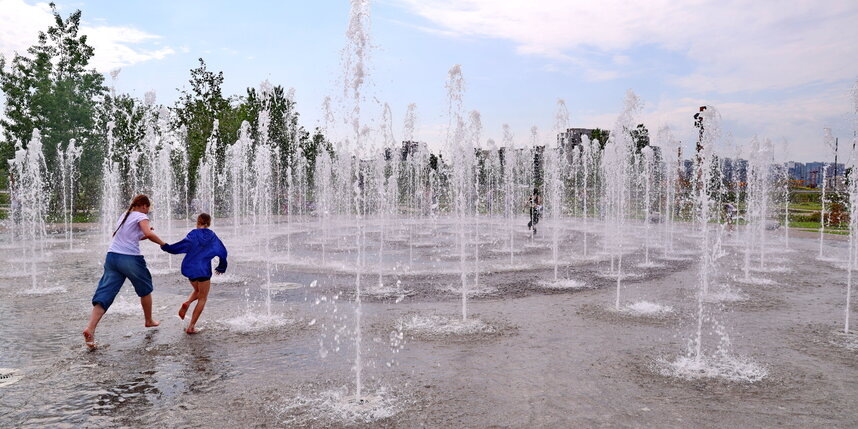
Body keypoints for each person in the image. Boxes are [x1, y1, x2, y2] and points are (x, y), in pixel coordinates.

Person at [83, 194, 166, 349]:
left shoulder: (124, 215)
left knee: (104, 295)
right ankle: (149, 320)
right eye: (148, 209)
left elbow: (134, 236)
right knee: (145, 289)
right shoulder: (141, 215)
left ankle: (90, 328)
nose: (148, 212)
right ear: (143, 206)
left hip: (112, 257)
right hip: (130, 259)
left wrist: (145, 234)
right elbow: (148, 233)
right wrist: (164, 244)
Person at [161, 213, 228, 334]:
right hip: (203, 271)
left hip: (190, 269)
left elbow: (181, 246)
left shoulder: (193, 234)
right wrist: (221, 266)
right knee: (202, 298)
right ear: (209, 223)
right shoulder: (212, 236)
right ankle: (191, 327)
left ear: (198, 222)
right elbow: (222, 251)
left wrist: (167, 247)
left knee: (197, 291)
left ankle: (187, 303)